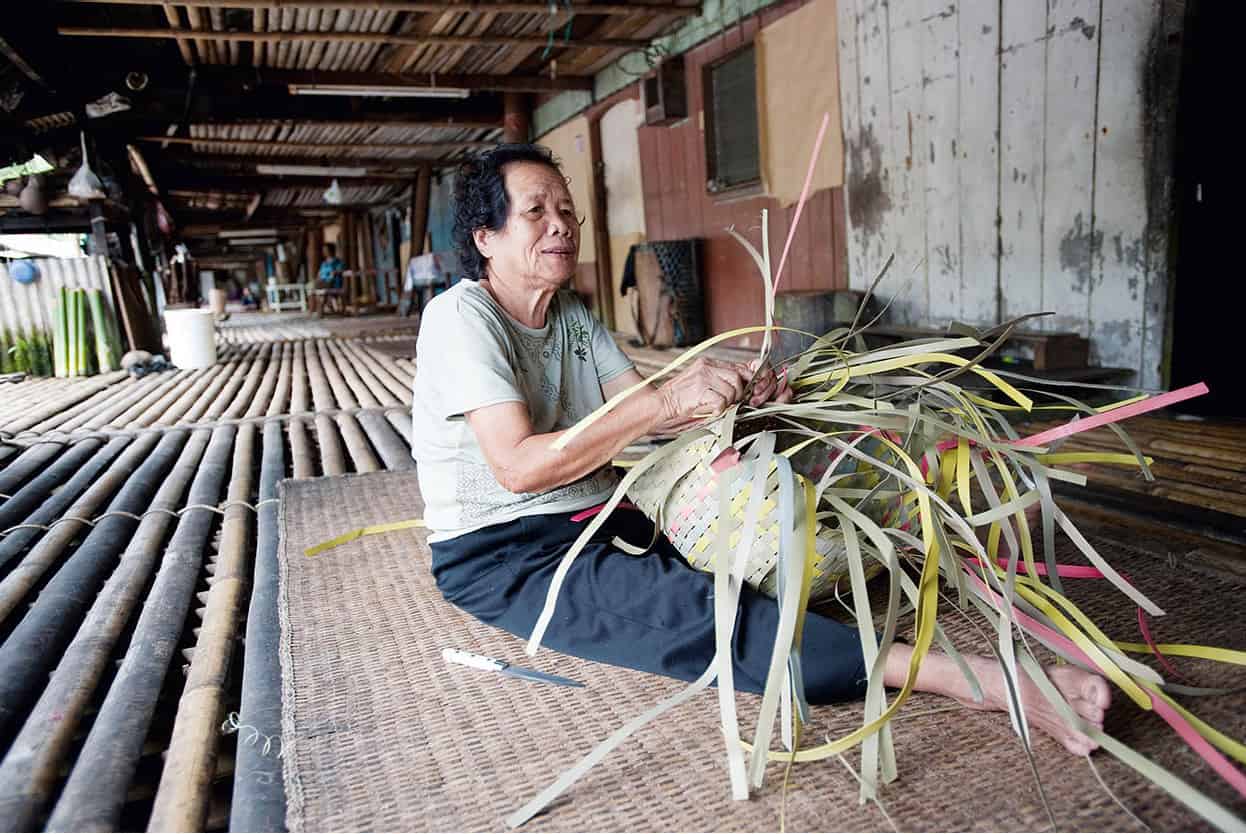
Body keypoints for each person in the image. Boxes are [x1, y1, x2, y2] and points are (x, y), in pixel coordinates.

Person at [410, 144, 1110, 756]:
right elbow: (521, 467)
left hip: (602, 512)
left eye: (567, 209)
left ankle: (880, 629)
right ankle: (982, 680)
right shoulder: (461, 320)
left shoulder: (570, 315)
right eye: (536, 211)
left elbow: (645, 419)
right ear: (486, 236)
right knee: (695, 614)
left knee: (755, 557)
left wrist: (734, 404)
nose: (561, 224)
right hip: (510, 553)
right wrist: (667, 401)